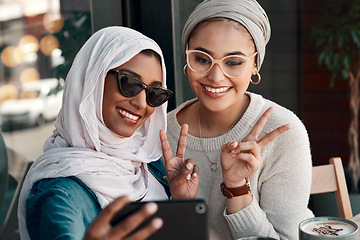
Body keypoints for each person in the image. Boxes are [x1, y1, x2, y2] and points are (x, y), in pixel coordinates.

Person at [17, 26, 199, 240]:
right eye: (129, 83)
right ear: (93, 79)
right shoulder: (60, 194)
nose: (141, 103)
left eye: (154, 92)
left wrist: (179, 202)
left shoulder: (147, 166)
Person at [163, 0, 314, 239]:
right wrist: (178, 205)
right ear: (187, 58)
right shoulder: (161, 134)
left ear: (255, 65)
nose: (215, 76)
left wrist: (237, 188)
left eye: (233, 62)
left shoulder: (285, 133)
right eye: (202, 58)